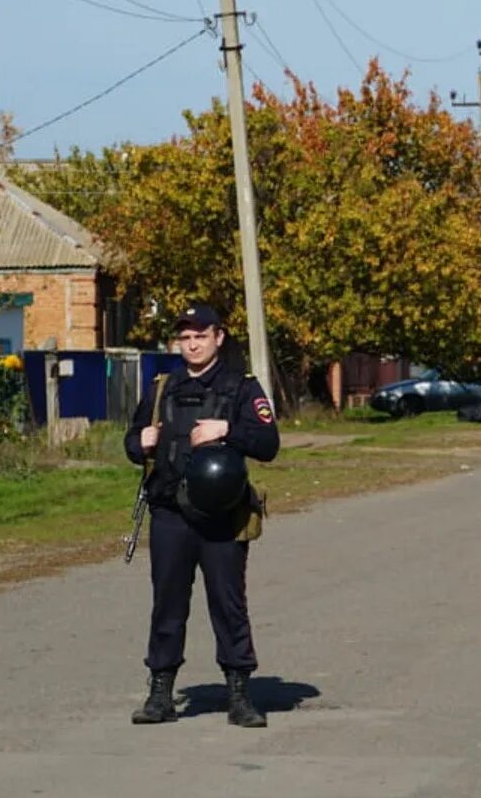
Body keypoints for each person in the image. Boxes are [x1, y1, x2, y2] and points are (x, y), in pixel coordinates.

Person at [125, 305, 280, 727]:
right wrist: (141, 441)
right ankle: (160, 692)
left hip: (222, 518)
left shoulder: (241, 388)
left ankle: (239, 693)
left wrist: (226, 429)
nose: (192, 344)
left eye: (200, 336)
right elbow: (132, 442)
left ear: (218, 337)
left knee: (228, 605)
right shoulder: (162, 387)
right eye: (185, 337)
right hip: (170, 513)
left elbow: (268, 443)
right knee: (168, 605)